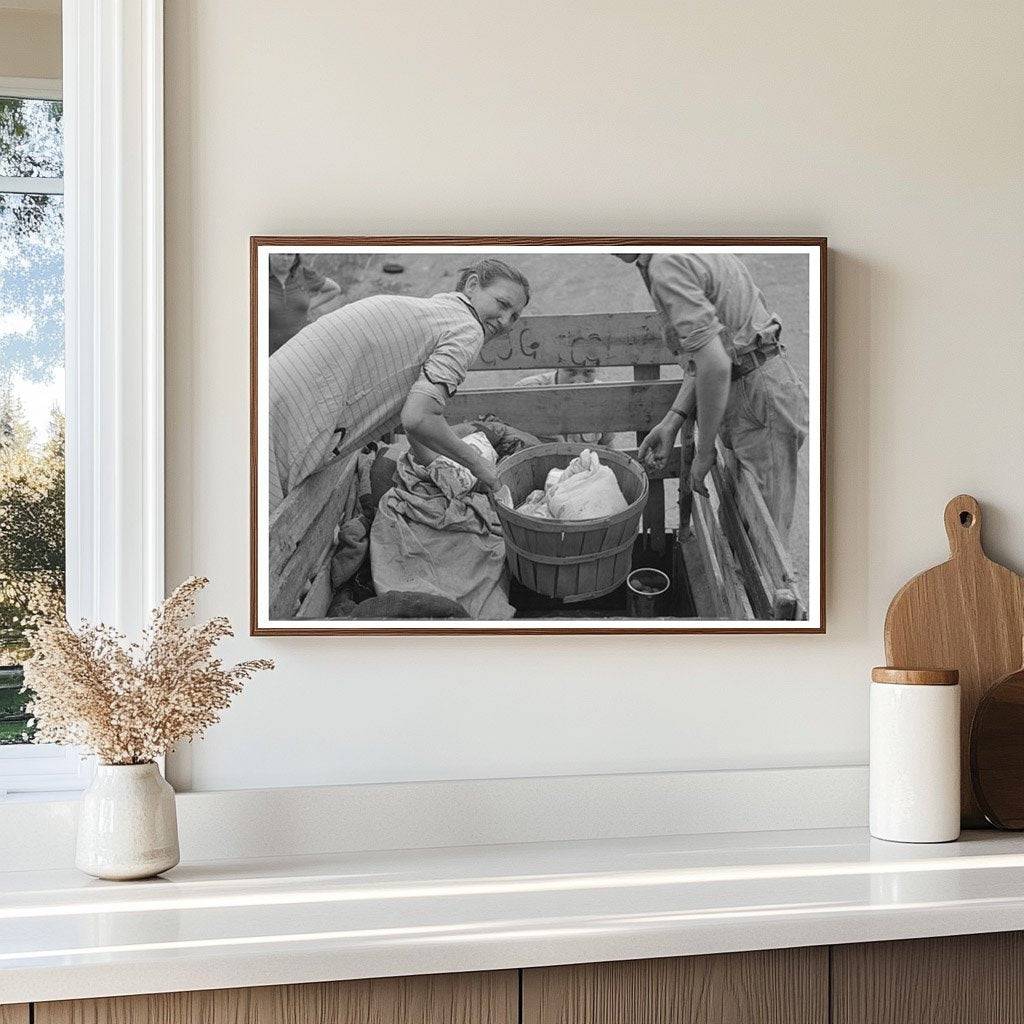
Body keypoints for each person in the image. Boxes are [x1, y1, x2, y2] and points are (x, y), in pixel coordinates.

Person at [268, 258, 530, 515]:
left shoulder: (440, 312)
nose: (505, 321)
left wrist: (441, 468)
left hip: (271, 387)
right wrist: (481, 467)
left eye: (514, 316)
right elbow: (419, 417)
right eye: (502, 304)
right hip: (289, 417)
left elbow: (414, 418)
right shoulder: (468, 329)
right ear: (472, 285)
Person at [620, 253, 808, 536]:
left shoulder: (666, 264)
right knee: (739, 519)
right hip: (752, 387)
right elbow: (709, 353)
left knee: (763, 538)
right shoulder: (683, 246)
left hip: (757, 394)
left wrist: (704, 452)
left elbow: (715, 365)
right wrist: (673, 420)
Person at [513, 366, 615, 447]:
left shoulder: (602, 395)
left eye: (588, 372)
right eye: (571, 371)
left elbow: (607, 445)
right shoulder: (527, 390)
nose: (579, 382)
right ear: (557, 367)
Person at [268, 253, 343, 355]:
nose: (285, 259)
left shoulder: (304, 274)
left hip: (302, 349)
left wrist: (309, 305)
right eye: (281, 254)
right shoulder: (255, 276)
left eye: (290, 255)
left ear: (295, 257)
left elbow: (334, 289)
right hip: (269, 352)